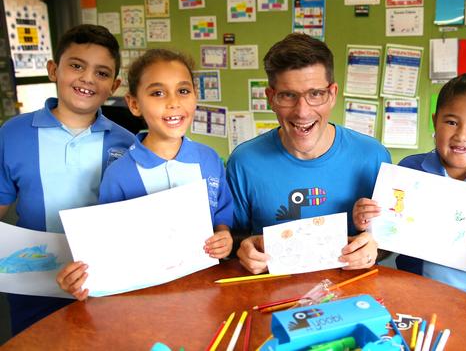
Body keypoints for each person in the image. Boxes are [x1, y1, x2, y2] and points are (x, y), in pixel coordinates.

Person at [57, 49, 234, 301]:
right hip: (144, 297)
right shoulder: (119, 174)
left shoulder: (209, 159)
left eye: (183, 91)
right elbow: (106, 244)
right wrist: (87, 276)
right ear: (134, 104)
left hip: (205, 290)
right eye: (158, 93)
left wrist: (224, 236)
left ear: (195, 95)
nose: (173, 102)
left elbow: (222, 215)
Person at [0, 24, 134, 334]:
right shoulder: (12, 134)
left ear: (113, 85)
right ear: (53, 69)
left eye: (101, 73)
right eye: (76, 65)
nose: (88, 78)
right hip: (34, 285)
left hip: (103, 283)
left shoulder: (127, 143)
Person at [353, 73, 466, 309]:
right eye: (451, 122)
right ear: (435, 121)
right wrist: (369, 223)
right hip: (411, 301)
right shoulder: (408, 170)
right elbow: (382, 243)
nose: (462, 135)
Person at [226, 33, 391, 274]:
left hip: (353, 296)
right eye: (288, 95)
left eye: (315, 94)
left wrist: (376, 246)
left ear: (332, 94)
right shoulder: (244, 161)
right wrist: (243, 246)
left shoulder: (373, 156)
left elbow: (387, 238)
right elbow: (230, 239)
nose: (302, 112)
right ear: (271, 98)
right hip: (269, 294)